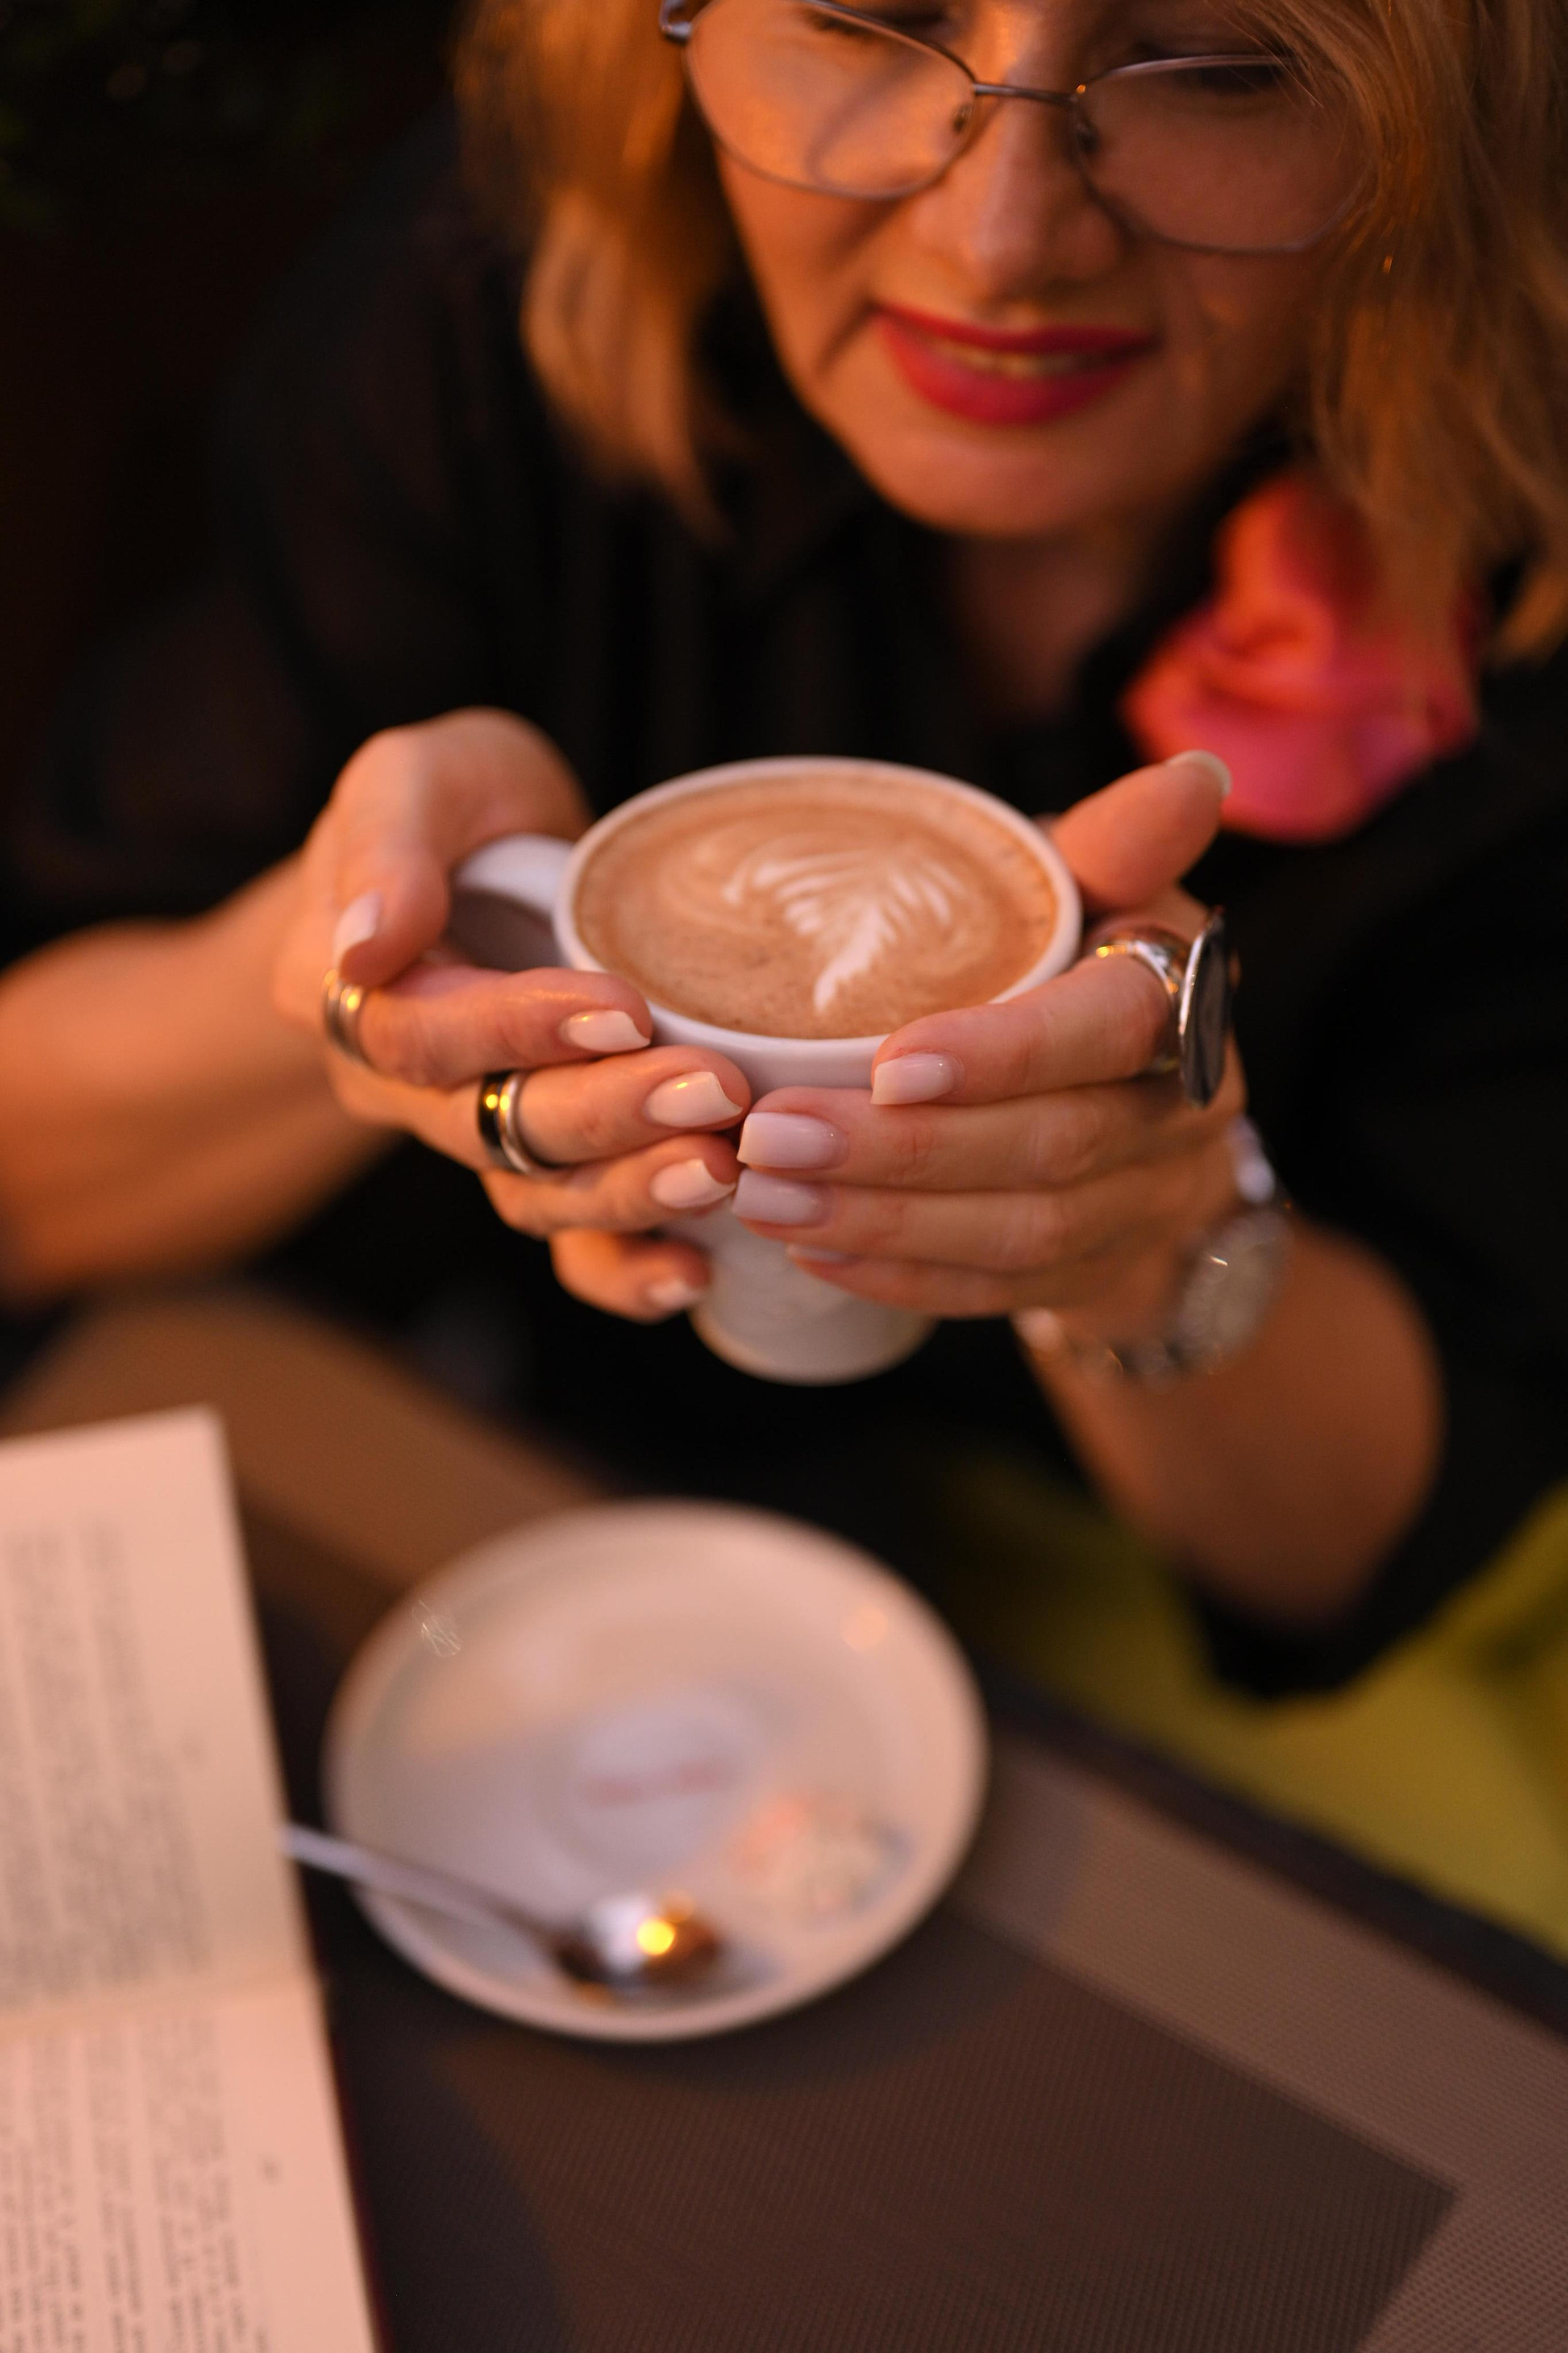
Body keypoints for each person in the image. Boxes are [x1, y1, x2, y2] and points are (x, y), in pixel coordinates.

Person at [1, 0, 1566, 1697]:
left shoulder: (1529, 568)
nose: (1005, 235)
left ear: (1459, 116)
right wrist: (364, 955)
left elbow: (1347, 1553)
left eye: (1215, 63)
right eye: (864, 13)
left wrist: (1150, 1239)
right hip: (513, 1520)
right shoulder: (491, 298)